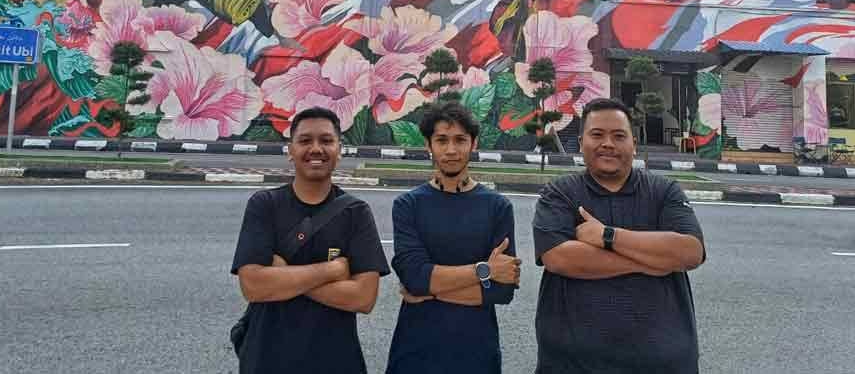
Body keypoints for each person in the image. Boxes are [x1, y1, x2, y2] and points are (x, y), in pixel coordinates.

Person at [532, 97, 706, 373]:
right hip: (572, 363)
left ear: (633, 144)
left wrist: (608, 236)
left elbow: (690, 252)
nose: (608, 144)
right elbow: (560, 258)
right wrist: (653, 261)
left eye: (619, 136)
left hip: (661, 362)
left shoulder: (664, 192)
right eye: (597, 135)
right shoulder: (560, 193)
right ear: (581, 142)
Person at [231, 106, 390, 374]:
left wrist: (283, 276)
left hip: (335, 360)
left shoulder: (356, 212)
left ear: (339, 149)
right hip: (267, 359)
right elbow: (253, 286)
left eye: (326, 140)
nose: (316, 149)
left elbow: (363, 298)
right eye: (305, 140)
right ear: (290, 151)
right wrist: (331, 271)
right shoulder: (265, 205)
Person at [386, 101, 521, 374]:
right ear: (428, 145)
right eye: (442, 140)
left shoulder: (498, 207)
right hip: (415, 352)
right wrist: (485, 270)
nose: (451, 150)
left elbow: (503, 290)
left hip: (476, 353)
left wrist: (430, 287)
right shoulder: (407, 206)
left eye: (460, 140)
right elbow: (414, 277)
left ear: (474, 144)